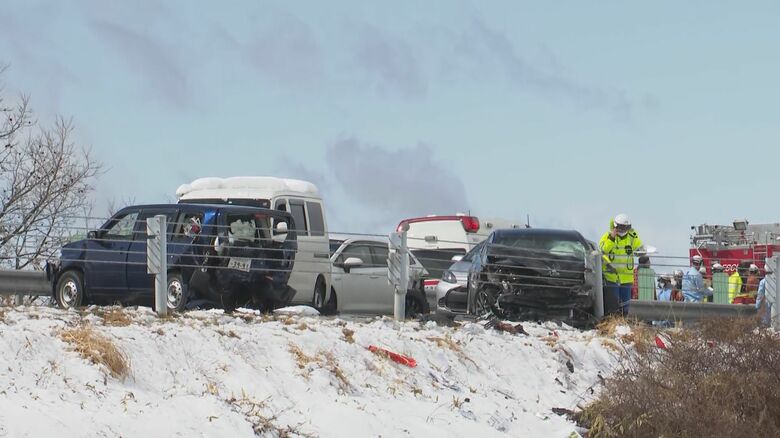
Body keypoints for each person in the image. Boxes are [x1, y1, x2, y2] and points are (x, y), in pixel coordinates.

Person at [599, 214, 644, 315]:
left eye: (625, 227)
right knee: (613, 304)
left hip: (626, 278)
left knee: (626, 305)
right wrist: (612, 238)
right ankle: (613, 323)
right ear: (615, 227)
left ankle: (623, 324)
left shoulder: (632, 237)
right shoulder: (607, 236)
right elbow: (603, 250)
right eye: (620, 227)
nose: (623, 230)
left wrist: (642, 252)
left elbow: (639, 248)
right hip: (611, 277)